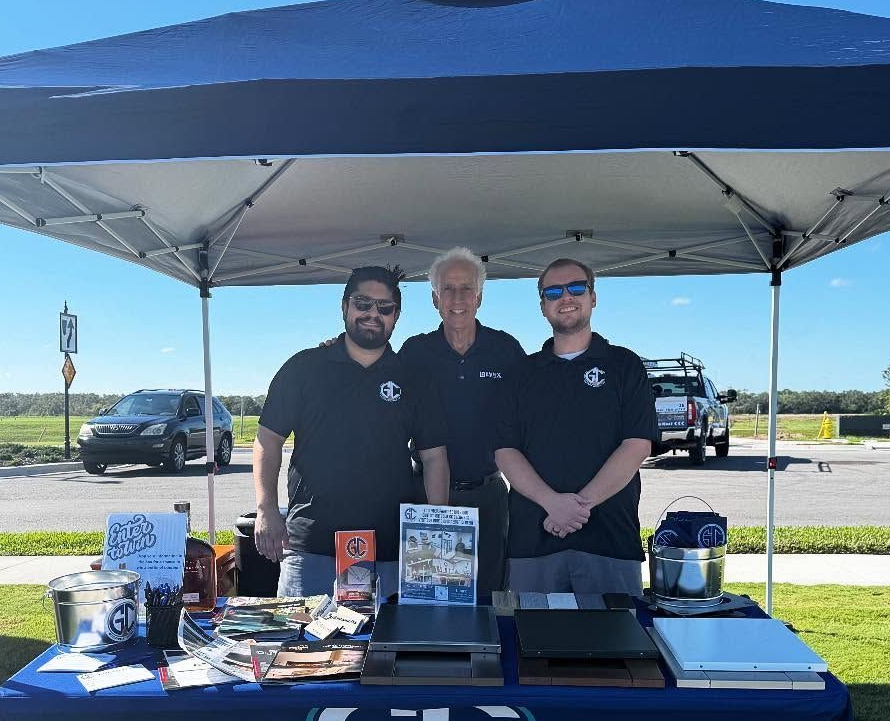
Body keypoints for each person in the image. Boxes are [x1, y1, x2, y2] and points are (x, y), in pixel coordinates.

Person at [254, 265, 449, 597]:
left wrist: (434, 525)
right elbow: (267, 441)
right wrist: (266, 508)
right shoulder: (304, 368)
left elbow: (434, 458)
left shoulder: (414, 378)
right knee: (302, 648)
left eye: (384, 307)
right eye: (362, 303)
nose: (372, 314)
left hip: (390, 550)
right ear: (344, 306)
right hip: (311, 548)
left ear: (396, 315)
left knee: (383, 648)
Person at [494, 258, 658, 594]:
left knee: (614, 644)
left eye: (576, 288)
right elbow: (505, 451)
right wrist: (553, 504)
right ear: (543, 306)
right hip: (533, 542)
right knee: (531, 643)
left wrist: (577, 507)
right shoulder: (521, 373)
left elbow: (637, 446)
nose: (565, 297)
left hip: (610, 539)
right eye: (553, 291)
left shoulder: (624, 365)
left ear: (593, 297)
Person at [398, 247, 526, 594]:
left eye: (466, 288)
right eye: (448, 289)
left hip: (488, 497)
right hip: (426, 494)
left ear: (479, 297)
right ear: (434, 299)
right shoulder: (414, 352)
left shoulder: (506, 350)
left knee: (488, 597)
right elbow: (378, 391)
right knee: (431, 594)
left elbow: (535, 412)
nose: (458, 298)